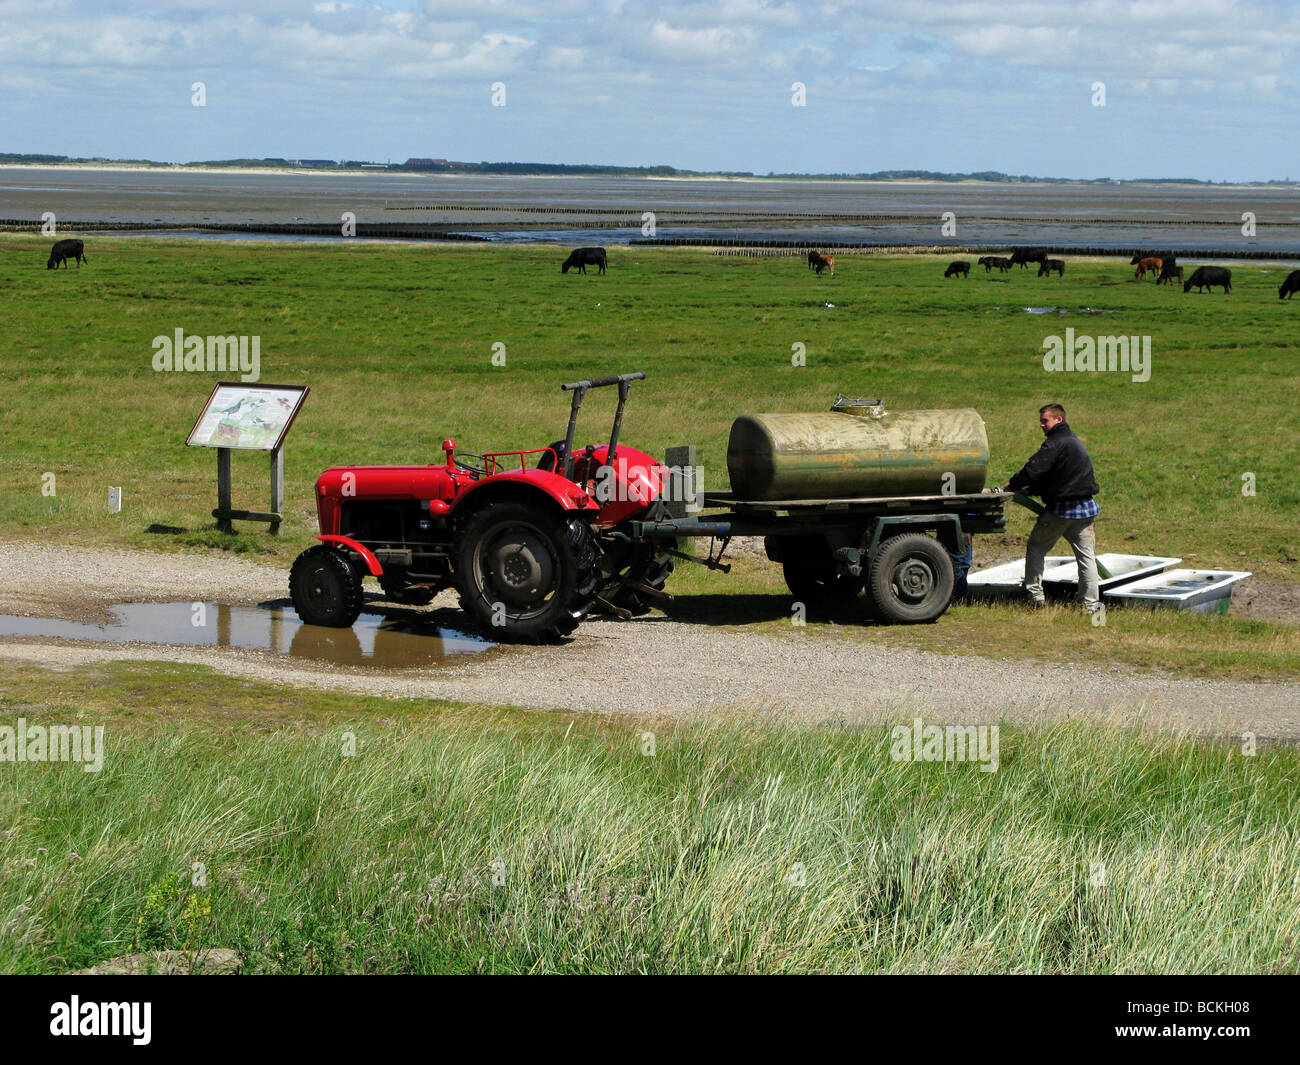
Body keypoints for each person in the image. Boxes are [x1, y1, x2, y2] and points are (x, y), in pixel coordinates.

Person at [1002, 403, 1101, 612]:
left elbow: (1034, 469)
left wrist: (1014, 484)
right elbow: (1056, 475)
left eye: (1045, 421)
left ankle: (1035, 597)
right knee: (1086, 558)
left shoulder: (1055, 443)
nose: (1042, 425)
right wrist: (1034, 489)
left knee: (1037, 547)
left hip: (1061, 510)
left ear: (1059, 420)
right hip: (1085, 508)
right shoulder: (1073, 442)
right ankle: (1090, 606)